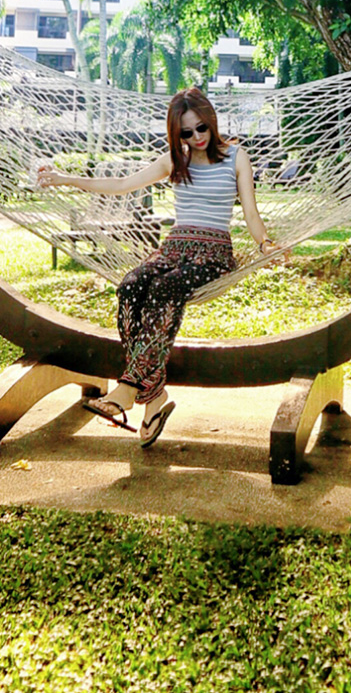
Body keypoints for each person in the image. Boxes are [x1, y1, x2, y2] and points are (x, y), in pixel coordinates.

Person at [36, 86, 282, 446]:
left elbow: (250, 213)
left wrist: (265, 244)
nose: (196, 137)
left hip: (212, 255)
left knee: (165, 290)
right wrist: (66, 179)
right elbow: (121, 184)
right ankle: (154, 399)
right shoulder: (174, 160)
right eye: (186, 132)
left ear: (211, 122)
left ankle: (129, 388)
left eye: (202, 128)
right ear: (176, 132)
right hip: (172, 249)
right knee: (131, 285)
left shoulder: (235, 158)